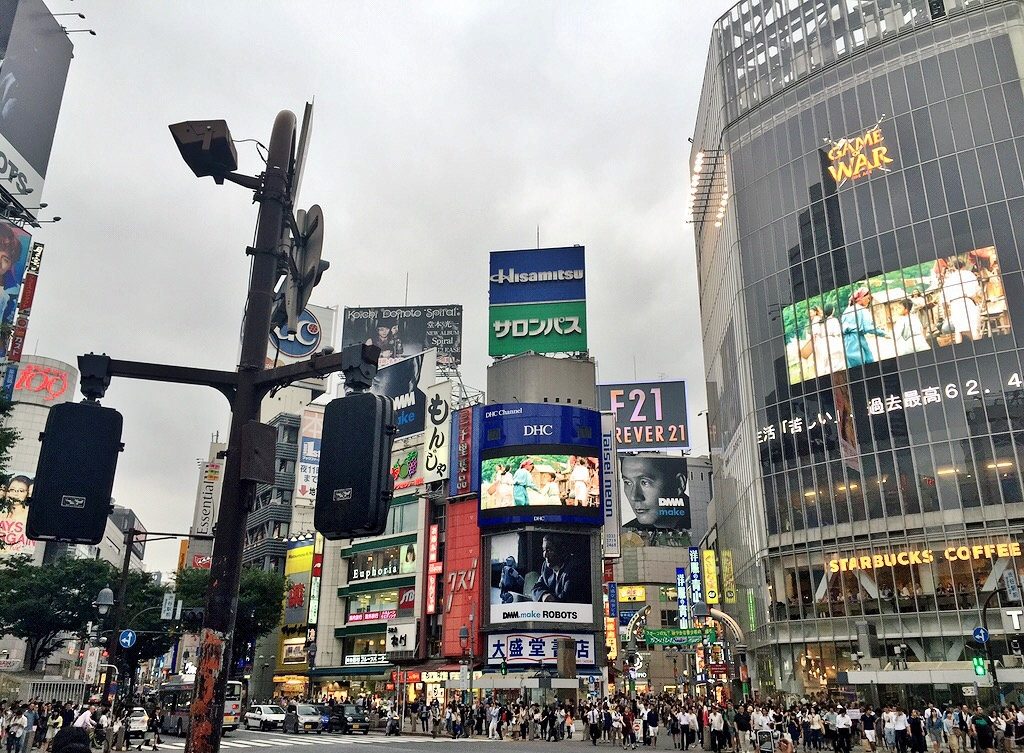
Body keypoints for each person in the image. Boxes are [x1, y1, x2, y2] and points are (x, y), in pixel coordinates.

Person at [619, 455, 689, 537]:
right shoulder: (628, 531)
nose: (634, 496)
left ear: (679, 484)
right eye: (628, 482)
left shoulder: (700, 522)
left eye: (645, 482)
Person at [531, 533, 587, 604]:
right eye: (544, 550)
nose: (545, 555)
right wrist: (543, 595)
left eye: (549, 550)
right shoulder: (546, 567)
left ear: (562, 551)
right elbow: (535, 588)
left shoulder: (574, 569)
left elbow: (565, 600)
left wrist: (550, 598)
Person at [841, 287, 889, 368]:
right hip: (857, 340)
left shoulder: (846, 310)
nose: (869, 300)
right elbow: (869, 328)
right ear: (862, 298)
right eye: (868, 298)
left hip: (846, 342)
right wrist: (883, 333)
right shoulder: (862, 310)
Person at [941, 258, 982, 343]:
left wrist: (946, 312)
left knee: (958, 330)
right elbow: (975, 291)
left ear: (954, 267)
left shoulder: (949, 279)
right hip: (967, 302)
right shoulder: (969, 274)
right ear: (964, 265)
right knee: (973, 328)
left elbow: (944, 297)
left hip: (955, 305)